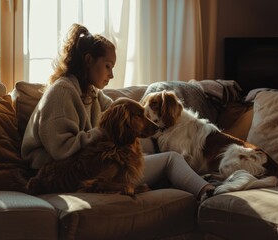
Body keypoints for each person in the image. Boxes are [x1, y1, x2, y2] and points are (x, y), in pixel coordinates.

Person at [21, 23, 215, 200]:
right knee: (172, 159)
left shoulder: (92, 93)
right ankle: (208, 192)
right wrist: (101, 132)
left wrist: (142, 121)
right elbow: (61, 150)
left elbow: (119, 113)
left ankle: (200, 186)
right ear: (89, 60)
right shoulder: (62, 91)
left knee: (145, 155)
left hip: (91, 165)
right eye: (108, 66)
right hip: (58, 171)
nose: (111, 75)